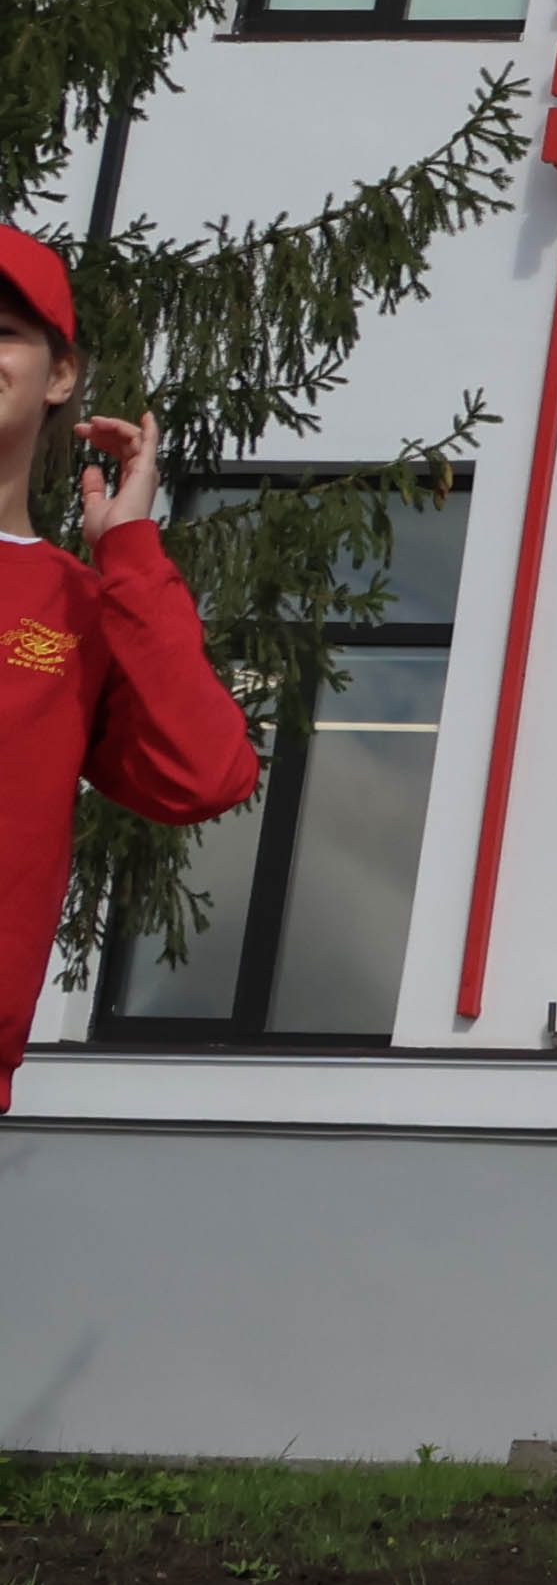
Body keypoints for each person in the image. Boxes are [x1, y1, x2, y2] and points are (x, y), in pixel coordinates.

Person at [0, 229, 262, 1105]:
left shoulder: (78, 604)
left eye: (1, 330)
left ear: (60, 375)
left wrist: (130, 551)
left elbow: (206, 772)